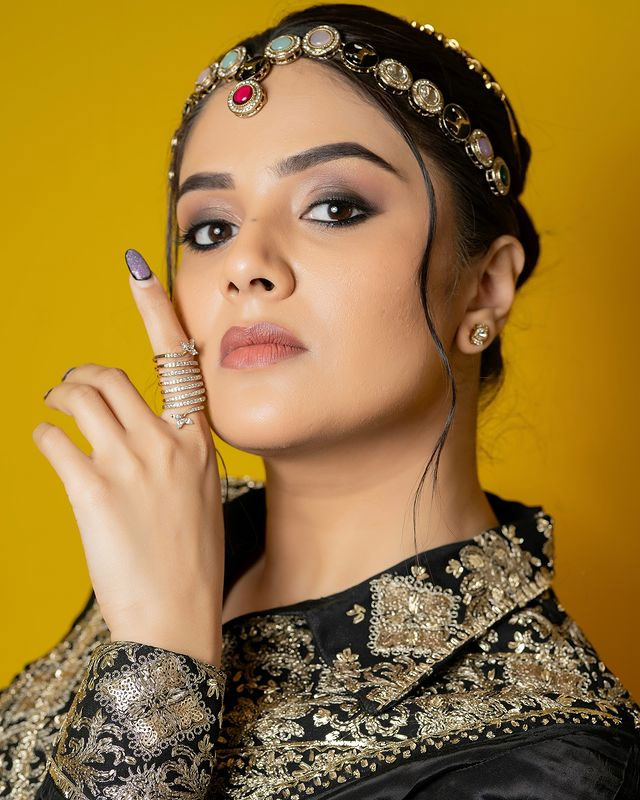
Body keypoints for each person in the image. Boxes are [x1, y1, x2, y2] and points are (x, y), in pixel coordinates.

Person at [1, 3, 639, 798]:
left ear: (484, 286)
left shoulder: (552, 761)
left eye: (334, 208)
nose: (246, 263)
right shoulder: (177, 543)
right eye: (210, 228)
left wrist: (157, 670)